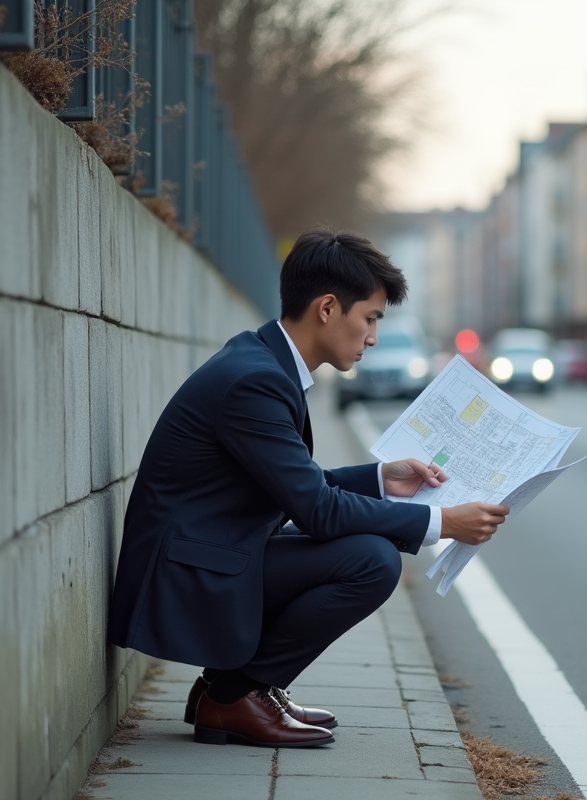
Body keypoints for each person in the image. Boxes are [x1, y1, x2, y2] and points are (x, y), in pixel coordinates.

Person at [107, 229, 510, 748]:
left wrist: (381, 479)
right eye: (370, 318)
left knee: (367, 550)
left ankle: (236, 689)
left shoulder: (260, 362)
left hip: (212, 551)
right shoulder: (255, 380)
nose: (372, 337)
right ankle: (233, 695)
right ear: (326, 308)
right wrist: (441, 523)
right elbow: (317, 511)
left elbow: (296, 487)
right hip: (185, 572)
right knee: (372, 560)